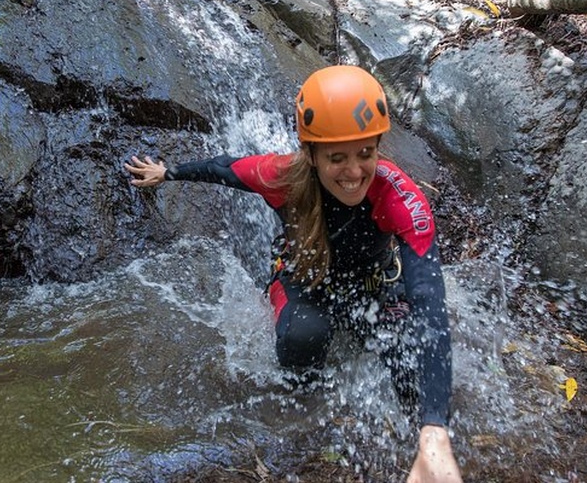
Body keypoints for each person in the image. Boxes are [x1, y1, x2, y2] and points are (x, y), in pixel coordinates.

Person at [124, 65, 462, 483]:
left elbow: (430, 303)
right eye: (337, 158)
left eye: (365, 154)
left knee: (407, 352)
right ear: (312, 155)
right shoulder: (281, 176)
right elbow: (224, 169)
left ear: (378, 147)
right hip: (303, 282)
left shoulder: (402, 199)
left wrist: (435, 428)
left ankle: (428, 452)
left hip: (372, 287)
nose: (353, 172)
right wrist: (167, 173)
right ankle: (309, 429)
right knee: (306, 335)